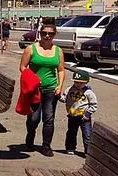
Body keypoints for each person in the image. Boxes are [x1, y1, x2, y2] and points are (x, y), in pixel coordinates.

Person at [19, 20, 65, 156]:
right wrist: (31, 79)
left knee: (49, 118)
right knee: (34, 119)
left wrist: (60, 86)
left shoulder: (58, 51)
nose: (47, 36)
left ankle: (46, 146)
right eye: (44, 33)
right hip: (34, 90)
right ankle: (30, 136)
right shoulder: (31, 49)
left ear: (54, 35)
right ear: (40, 33)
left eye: (50, 34)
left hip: (51, 89)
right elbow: (22, 67)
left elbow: (61, 70)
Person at [62, 71, 98, 155]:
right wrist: (59, 97)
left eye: (81, 83)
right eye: (76, 82)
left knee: (87, 134)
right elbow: (64, 98)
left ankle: (88, 152)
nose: (78, 84)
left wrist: (87, 114)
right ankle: (70, 148)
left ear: (86, 82)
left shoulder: (89, 92)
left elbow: (94, 105)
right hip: (72, 115)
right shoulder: (69, 89)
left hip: (84, 117)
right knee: (71, 133)